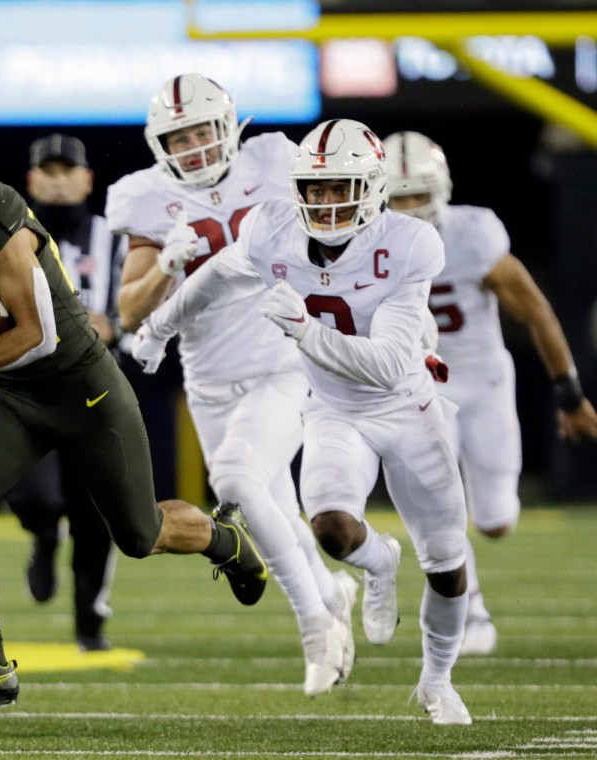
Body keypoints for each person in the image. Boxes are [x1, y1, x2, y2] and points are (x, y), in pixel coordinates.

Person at [0, 116, 268, 712]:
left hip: (83, 385)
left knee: (139, 534)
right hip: (15, 394)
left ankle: (225, 539)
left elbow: (36, 334)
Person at [138, 118, 474, 724]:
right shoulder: (273, 230)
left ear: (371, 186)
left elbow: (390, 364)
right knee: (332, 531)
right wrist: (159, 326)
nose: (325, 201)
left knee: (449, 563)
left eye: (339, 186)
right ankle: (378, 564)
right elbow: (217, 276)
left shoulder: (408, 243)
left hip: (407, 408)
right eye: (314, 189)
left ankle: (437, 680)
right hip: (333, 409)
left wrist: (303, 331)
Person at [116, 74, 356, 696]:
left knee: (237, 484)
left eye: (202, 130)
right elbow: (129, 312)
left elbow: (341, 218)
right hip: (210, 380)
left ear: (228, 127)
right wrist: (167, 264)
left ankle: (315, 624)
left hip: (283, 361)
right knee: (270, 504)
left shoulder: (276, 159)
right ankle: (334, 591)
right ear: (158, 144)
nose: (194, 146)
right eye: (179, 137)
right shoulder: (146, 200)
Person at [383, 131, 597, 655]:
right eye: (397, 196)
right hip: (419, 388)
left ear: (441, 189)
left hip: (483, 381)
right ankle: (470, 608)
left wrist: (569, 394)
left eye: (417, 194)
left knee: (497, 519)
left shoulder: (472, 233)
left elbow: (535, 308)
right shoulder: (363, 245)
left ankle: (476, 571)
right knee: (442, 501)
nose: (408, 208)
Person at [8, 132, 121, 652]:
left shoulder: (115, 238)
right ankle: (43, 535)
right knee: (37, 497)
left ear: (87, 179)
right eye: (47, 172)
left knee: (96, 517)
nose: (57, 181)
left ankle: (89, 624)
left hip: (96, 395)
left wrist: (117, 323)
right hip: (27, 390)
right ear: (31, 182)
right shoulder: (7, 239)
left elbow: (142, 304)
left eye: (66, 171)